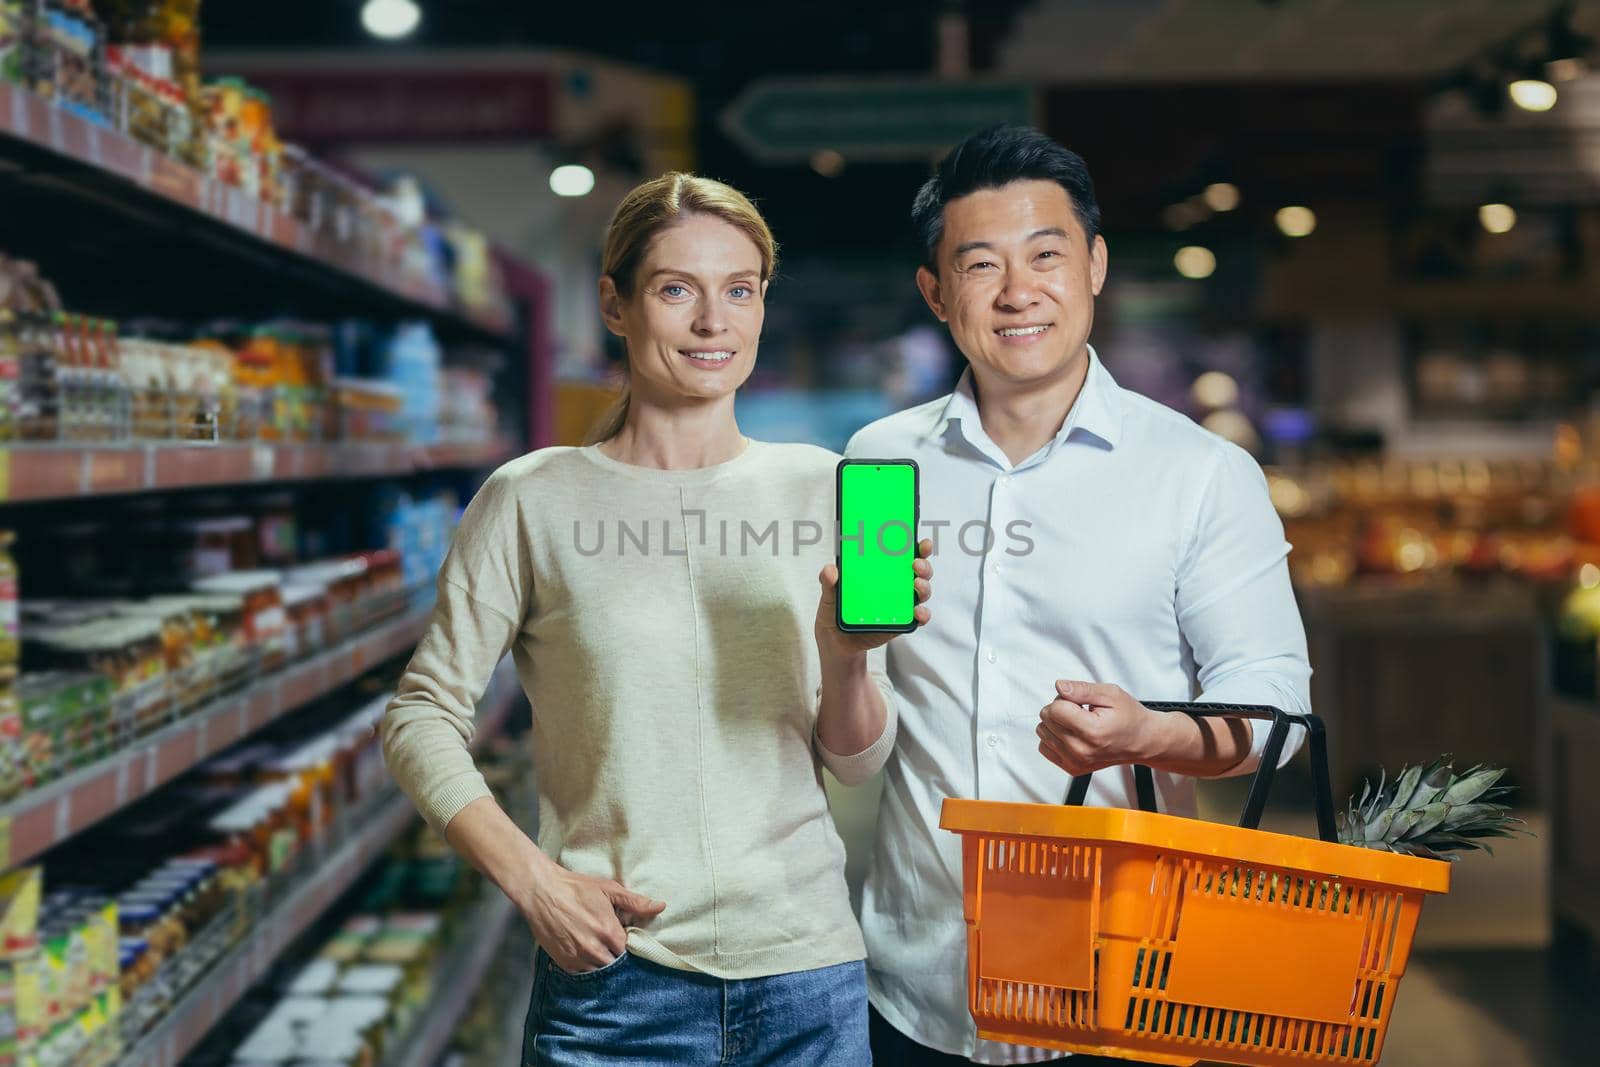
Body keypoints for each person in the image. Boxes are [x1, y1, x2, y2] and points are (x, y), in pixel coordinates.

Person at [380, 172, 933, 1065]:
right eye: (678, 289)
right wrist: (534, 881)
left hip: (809, 978)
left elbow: (857, 760)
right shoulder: (533, 499)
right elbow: (419, 716)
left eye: (740, 291)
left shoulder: (829, 488)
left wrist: (847, 652)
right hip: (616, 985)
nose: (714, 322)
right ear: (615, 303)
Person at [849, 125, 1312, 1065]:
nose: (1019, 292)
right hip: (912, 988)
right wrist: (840, 646)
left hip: (1121, 990)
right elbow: (856, 707)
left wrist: (1151, 735)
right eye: (980, 265)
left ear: (1095, 265)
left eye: (1047, 255)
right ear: (937, 294)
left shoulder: (1200, 474)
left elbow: (1279, 710)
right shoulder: (879, 466)